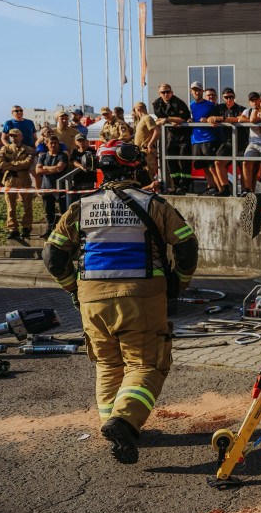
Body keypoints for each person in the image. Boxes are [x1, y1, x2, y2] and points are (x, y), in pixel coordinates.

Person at [42, 141, 198, 464]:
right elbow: (187, 248)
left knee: (108, 364)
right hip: (141, 298)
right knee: (147, 364)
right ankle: (124, 422)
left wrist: (73, 289)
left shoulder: (80, 207)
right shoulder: (155, 204)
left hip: (91, 300)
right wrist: (178, 285)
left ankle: (110, 424)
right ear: (133, 169)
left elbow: (52, 256)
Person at [152, 83, 193, 194]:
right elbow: (159, 118)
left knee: (184, 161)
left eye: (168, 92)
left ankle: (184, 186)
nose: (166, 94)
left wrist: (168, 120)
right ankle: (176, 185)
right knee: (171, 161)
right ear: (159, 93)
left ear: (172, 92)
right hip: (170, 136)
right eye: (163, 92)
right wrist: (172, 120)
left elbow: (184, 119)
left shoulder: (179, 103)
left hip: (183, 135)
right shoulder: (157, 103)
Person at [0, 129, 35, 240]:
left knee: (27, 205)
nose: (13, 138)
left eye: (15, 136)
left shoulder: (29, 149)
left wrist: (11, 164)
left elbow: (27, 163)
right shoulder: (5, 148)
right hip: (10, 179)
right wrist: (17, 165)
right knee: (10, 206)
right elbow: (1, 164)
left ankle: (26, 227)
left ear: (21, 136)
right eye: (11, 136)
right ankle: (12, 229)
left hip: (24, 179)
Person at [35, 135, 70, 237]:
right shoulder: (43, 156)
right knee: (48, 211)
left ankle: (64, 231)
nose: (53, 145)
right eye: (51, 143)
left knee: (64, 211)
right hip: (46, 187)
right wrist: (52, 168)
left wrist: (45, 168)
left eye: (55, 143)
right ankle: (49, 230)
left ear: (58, 144)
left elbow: (60, 168)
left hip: (60, 187)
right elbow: (38, 171)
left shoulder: (62, 155)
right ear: (47, 144)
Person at [238, 92, 261, 193]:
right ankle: (247, 190)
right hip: (253, 143)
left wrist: (258, 118)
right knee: (245, 162)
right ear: (249, 102)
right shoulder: (248, 111)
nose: (255, 102)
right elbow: (241, 118)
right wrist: (253, 122)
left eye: (256, 99)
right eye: (252, 100)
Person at [132, 102, 160, 182]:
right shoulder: (142, 120)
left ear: (137, 109)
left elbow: (157, 132)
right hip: (141, 151)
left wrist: (150, 144)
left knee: (148, 174)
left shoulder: (147, 118)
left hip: (146, 152)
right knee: (143, 175)